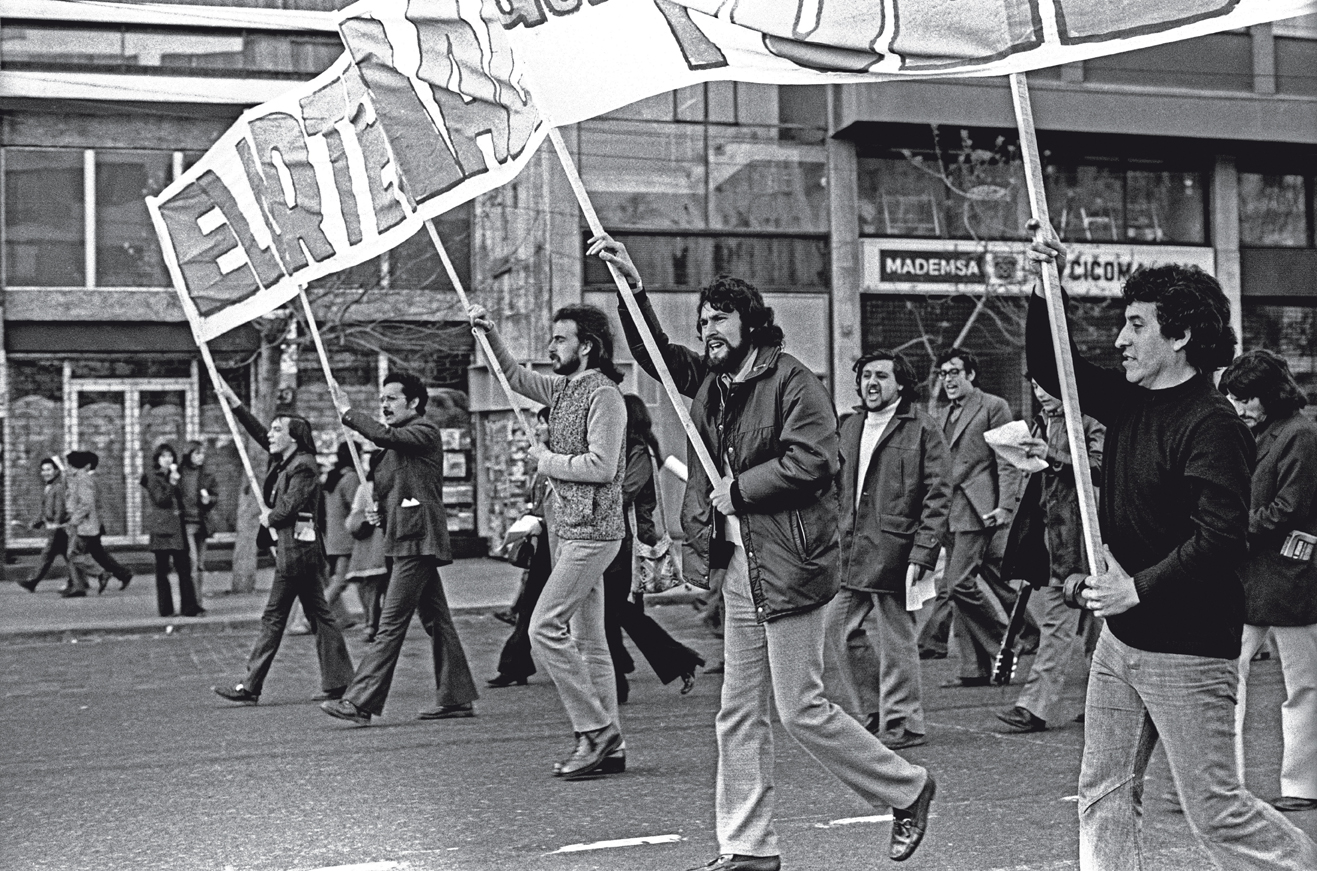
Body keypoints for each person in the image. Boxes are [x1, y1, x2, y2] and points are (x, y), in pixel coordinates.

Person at [594, 233, 936, 868]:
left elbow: (816, 458)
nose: (707, 331)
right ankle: (749, 849)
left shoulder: (792, 382)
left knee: (800, 709)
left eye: (718, 320)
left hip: (788, 567)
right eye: (701, 322)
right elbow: (653, 355)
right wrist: (630, 287)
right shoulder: (712, 382)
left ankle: (907, 788)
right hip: (739, 572)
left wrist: (740, 491)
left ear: (750, 322)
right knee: (737, 715)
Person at [1026, 230, 1317, 869]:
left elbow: (1220, 538)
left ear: (1180, 336)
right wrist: (1045, 281)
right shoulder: (1128, 400)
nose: (1120, 340)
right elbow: (1055, 370)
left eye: (1136, 325)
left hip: (1187, 648)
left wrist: (1138, 587)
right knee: (1101, 794)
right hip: (1120, 643)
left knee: (1215, 811)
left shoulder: (1213, 423)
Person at [469, 301, 629, 780]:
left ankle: (595, 730)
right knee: (590, 642)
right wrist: (489, 334)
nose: (551, 346)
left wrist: (547, 461)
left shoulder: (606, 397)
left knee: (543, 628)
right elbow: (514, 378)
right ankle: (612, 746)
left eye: (560, 339)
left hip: (594, 532)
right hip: (567, 530)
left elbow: (602, 466)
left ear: (588, 346)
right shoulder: (562, 389)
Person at [320, 371, 479, 726]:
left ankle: (360, 702)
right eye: (382, 399)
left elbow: (382, 434)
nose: (384, 405)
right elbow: (395, 486)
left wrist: (348, 411)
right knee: (438, 620)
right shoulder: (394, 448)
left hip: (417, 541)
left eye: (391, 399)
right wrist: (379, 508)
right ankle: (457, 696)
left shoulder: (423, 432)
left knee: (389, 624)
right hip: (403, 538)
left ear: (414, 403)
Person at [824, 349, 949, 751]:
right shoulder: (849, 426)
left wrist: (923, 552)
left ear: (900, 384)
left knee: (897, 640)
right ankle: (875, 712)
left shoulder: (922, 428)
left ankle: (904, 722)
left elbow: (937, 494)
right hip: (850, 547)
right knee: (840, 629)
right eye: (864, 376)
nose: (870, 383)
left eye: (880, 376)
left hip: (898, 549)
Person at [1220, 349, 1317, 813]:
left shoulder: (1300, 434)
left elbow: (1290, 507)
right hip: (1273, 571)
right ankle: (1290, 783)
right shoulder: (1276, 431)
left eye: (1245, 399)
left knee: (1298, 682)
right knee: (1289, 682)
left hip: (1285, 572)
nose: (1239, 408)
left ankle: (1297, 783)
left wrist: (1234, 526)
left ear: (1270, 395)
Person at [213, 390, 354, 705]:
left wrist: (269, 517)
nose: (271, 435)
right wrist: (237, 405)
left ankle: (251, 686)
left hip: (297, 554)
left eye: (278, 430)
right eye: (273, 429)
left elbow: (289, 507)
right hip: (297, 551)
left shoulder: (302, 466)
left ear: (294, 438)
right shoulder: (289, 458)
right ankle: (340, 680)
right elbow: (262, 436)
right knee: (320, 615)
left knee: (275, 617)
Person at [994, 379, 1104, 734]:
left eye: (1047, 385)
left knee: (1073, 624)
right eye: (1035, 385)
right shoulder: (1043, 422)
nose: (1040, 391)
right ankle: (1103, 699)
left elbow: (1100, 468)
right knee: (1093, 626)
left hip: (1082, 539)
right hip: (1055, 538)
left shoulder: (1088, 419)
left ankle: (1035, 706)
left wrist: (1049, 455)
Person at [915, 347, 1023, 686]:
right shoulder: (943, 413)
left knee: (959, 583)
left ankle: (1004, 645)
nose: (948, 379)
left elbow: (1008, 459)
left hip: (979, 510)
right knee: (962, 586)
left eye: (954, 372)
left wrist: (1006, 506)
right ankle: (973, 669)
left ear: (971, 375)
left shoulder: (993, 406)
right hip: (949, 510)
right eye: (943, 374)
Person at [603, 393, 707, 705]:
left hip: (628, 541)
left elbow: (626, 493)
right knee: (616, 610)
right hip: (620, 539)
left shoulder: (638, 451)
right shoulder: (632, 450)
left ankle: (632, 674)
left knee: (612, 609)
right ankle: (628, 672)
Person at [141, 443, 203, 618]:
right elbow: (161, 500)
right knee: (162, 570)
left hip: (178, 527)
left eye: (170, 456)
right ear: (157, 460)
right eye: (164, 457)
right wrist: (171, 483)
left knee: (184, 567)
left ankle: (189, 606)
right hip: (162, 528)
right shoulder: (153, 477)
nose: (168, 460)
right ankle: (166, 608)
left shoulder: (176, 475)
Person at [64, 451, 133, 595]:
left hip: (84, 525)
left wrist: (74, 520)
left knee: (74, 555)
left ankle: (96, 577)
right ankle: (120, 574)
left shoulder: (82, 479)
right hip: (89, 524)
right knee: (96, 553)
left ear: (72, 465)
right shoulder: (80, 478)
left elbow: (86, 503)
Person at [341, 446, 389, 642]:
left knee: (369, 587)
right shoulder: (381, 487)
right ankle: (381, 624)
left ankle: (371, 623)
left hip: (366, 544)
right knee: (384, 587)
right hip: (379, 541)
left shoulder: (364, 487)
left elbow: (352, 518)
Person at [321, 441, 362, 630]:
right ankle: (312, 616)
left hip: (333, 535)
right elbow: (356, 507)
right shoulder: (351, 478)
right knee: (341, 581)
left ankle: (344, 617)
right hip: (348, 536)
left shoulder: (334, 477)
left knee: (338, 579)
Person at [18, 458, 70, 593]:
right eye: (43, 470)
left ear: (56, 471)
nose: (45, 472)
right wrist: (36, 523)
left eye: (48, 469)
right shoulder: (49, 487)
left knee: (47, 555)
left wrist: (57, 524)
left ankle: (32, 581)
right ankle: (86, 579)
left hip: (57, 528)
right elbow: (45, 511)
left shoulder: (57, 487)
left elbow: (60, 508)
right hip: (57, 527)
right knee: (70, 557)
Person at [177, 441, 217, 601]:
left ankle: (198, 601)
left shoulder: (206, 474)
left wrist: (210, 499)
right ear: (189, 455)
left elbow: (215, 495)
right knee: (192, 561)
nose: (201, 457)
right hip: (186, 522)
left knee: (200, 564)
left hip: (202, 522)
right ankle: (192, 602)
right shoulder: (180, 473)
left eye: (202, 454)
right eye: (197, 453)